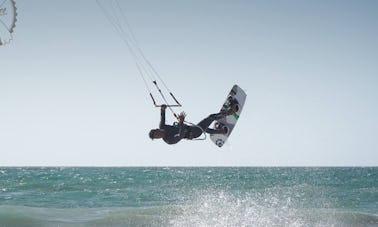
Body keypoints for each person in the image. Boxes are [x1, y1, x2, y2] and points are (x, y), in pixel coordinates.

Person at [149, 104, 234, 144]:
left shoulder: (162, 126)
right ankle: (229, 112)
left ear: (157, 130)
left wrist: (163, 109)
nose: (159, 135)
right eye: (157, 137)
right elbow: (181, 135)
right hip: (193, 133)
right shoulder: (169, 140)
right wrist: (181, 122)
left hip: (191, 128)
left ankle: (220, 131)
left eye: (157, 133)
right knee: (210, 118)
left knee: (204, 128)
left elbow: (162, 116)